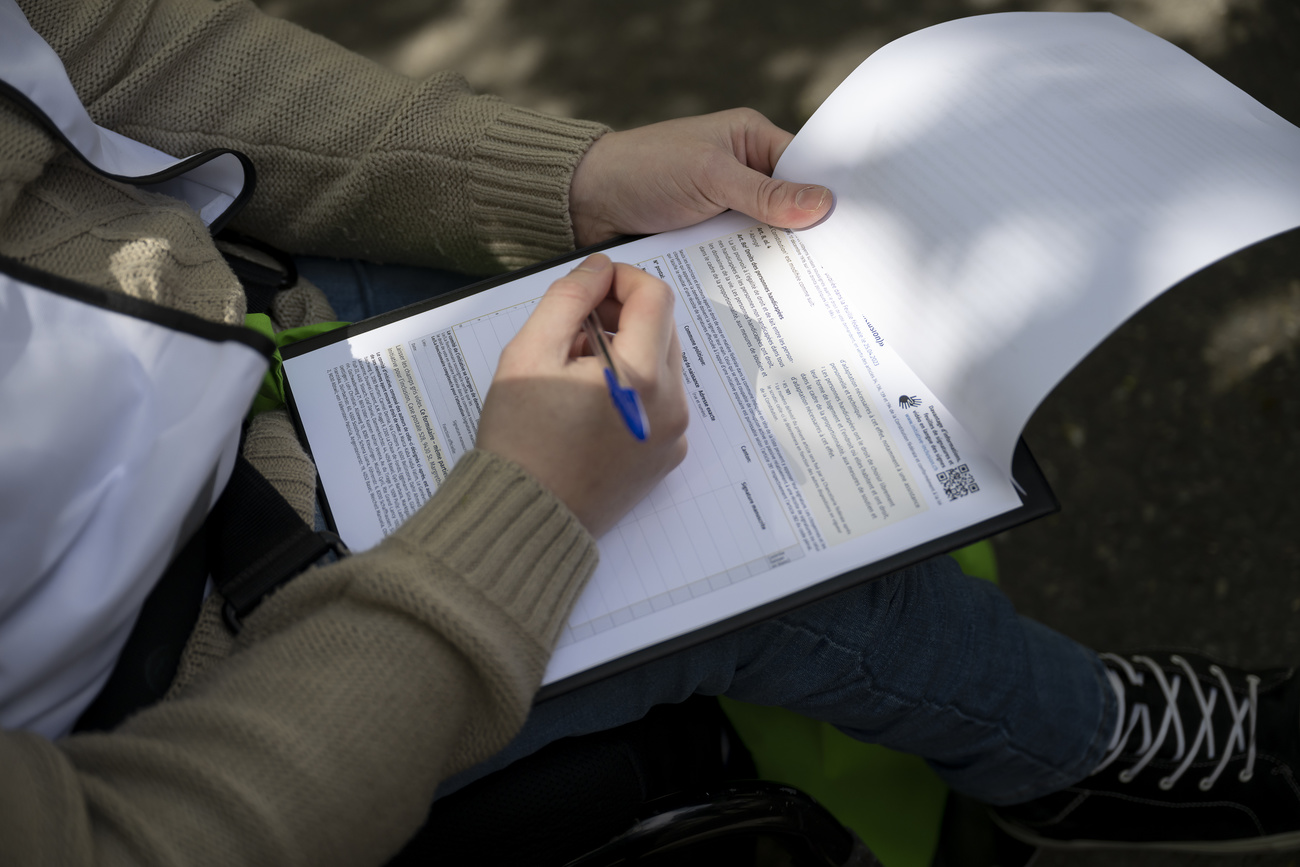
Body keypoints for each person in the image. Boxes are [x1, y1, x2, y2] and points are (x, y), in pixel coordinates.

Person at [0, 0, 1295, 863]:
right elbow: (133, 840)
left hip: (250, 325)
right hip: (192, 671)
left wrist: (564, 174)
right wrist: (522, 518)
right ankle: (1073, 749)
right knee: (777, 544)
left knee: (732, 303)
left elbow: (98, 49)